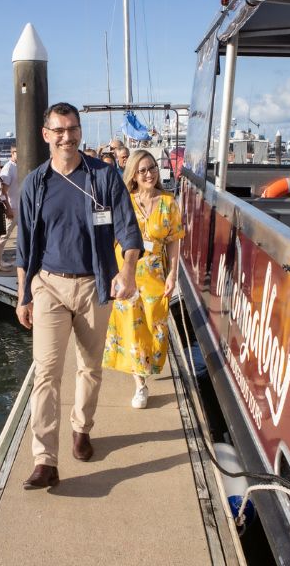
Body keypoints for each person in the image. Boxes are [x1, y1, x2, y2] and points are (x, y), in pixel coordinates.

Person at [15, 102, 143, 489]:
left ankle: (81, 428)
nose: (66, 137)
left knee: (90, 366)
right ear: (46, 134)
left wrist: (128, 270)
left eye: (72, 129)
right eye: (59, 130)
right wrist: (23, 296)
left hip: (94, 284)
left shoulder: (104, 177)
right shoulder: (35, 184)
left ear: (79, 131)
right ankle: (45, 460)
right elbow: (24, 247)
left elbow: (128, 230)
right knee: (46, 372)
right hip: (48, 284)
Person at [102, 150, 184, 408]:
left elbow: (174, 241)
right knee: (132, 327)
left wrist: (173, 273)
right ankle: (140, 386)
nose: (149, 174)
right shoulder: (124, 200)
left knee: (154, 326)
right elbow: (111, 236)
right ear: (133, 175)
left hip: (156, 272)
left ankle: (146, 366)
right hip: (127, 269)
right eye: (143, 170)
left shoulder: (168, 202)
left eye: (152, 168)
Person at [0, 145, 19, 261]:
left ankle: (21, 257)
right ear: (12, 153)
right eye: (17, 152)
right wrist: (8, 208)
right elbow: (3, 191)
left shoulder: (19, 166)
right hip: (12, 206)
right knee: (4, 235)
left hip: (21, 206)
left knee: (26, 234)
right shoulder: (8, 168)